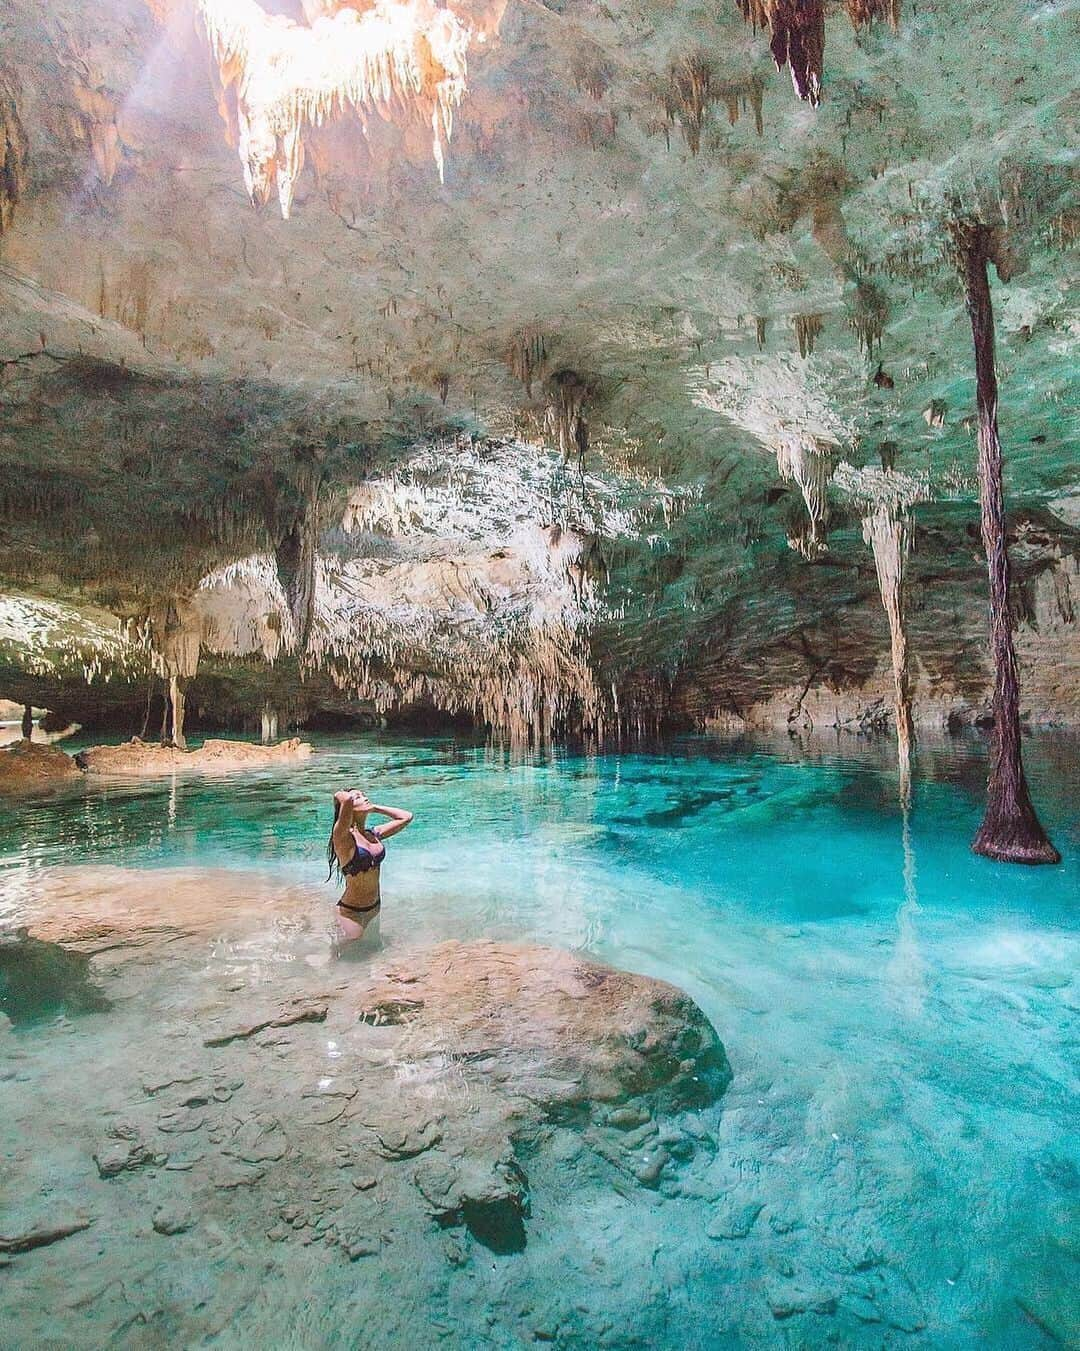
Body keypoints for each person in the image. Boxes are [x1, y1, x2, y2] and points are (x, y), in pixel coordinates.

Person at [326, 789, 413, 942]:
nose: (365, 798)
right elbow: (345, 800)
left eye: (364, 795)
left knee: (373, 950)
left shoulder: (373, 834)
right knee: (345, 956)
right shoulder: (343, 837)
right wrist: (339, 795)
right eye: (357, 797)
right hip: (351, 912)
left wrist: (374, 808)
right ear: (348, 806)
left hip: (374, 907)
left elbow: (406, 817)